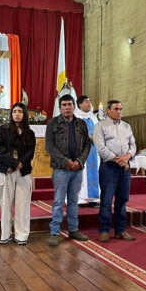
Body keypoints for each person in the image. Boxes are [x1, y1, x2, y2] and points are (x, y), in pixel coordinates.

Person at [45, 94, 91, 246]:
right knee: (58, 201)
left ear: (74, 106)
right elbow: (49, 146)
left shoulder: (81, 124)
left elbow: (86, 145)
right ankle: (55, 232)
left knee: (73, 201)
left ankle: (73, 229)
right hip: (60, 169)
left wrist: (79, 161)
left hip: (77, 169)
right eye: (64, 105)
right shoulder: (53, 123)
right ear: (60, 108)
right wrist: (65, 161)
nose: (67, 108)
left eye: (69, 104)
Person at [93, 100, 137, 242]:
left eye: (121, 109)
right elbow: (100, 147)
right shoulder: (100, 126)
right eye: (116, 109)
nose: (119, 111)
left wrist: (127, 157)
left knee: (122, 199)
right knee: (106, 199)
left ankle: (120, 230)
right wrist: (119, 160)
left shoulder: (126, 126)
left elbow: (133, 145)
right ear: (108, 111)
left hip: (124, 167)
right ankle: (104, 230)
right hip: (109, 167)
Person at [0, 102, 36, 245]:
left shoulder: (30, 133)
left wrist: (19, 164)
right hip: (7, 170)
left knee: (23, 204)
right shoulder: (3, 130)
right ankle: (5, 234)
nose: (17, 114)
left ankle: (21, 235)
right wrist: (12, 163)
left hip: (23, 171)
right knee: (5, 204)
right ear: (11, 114)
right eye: (14, 111)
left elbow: (30, 152)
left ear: (24, 114)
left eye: (20, 111)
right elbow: (0, 150)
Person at [74, 95, 100, 205]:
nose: (89, 103)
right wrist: (88, 138)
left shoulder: (93, 117)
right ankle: (80, 198)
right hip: (81, 150)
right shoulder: (75, 117)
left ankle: (93, 198)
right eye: (86, 101)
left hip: (94, 149)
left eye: (89, 101)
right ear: (79, 104)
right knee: (82, 174)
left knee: (95, 171)